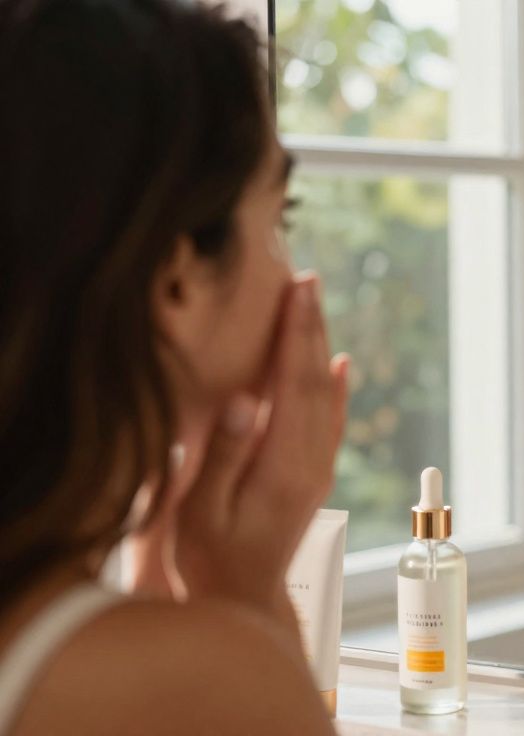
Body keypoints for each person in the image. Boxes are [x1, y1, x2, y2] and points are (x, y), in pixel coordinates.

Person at [0, 1, 347, 732]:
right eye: (280, 217)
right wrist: (246, 589)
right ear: (177, 281)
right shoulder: (200, 682)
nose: (295, 277)